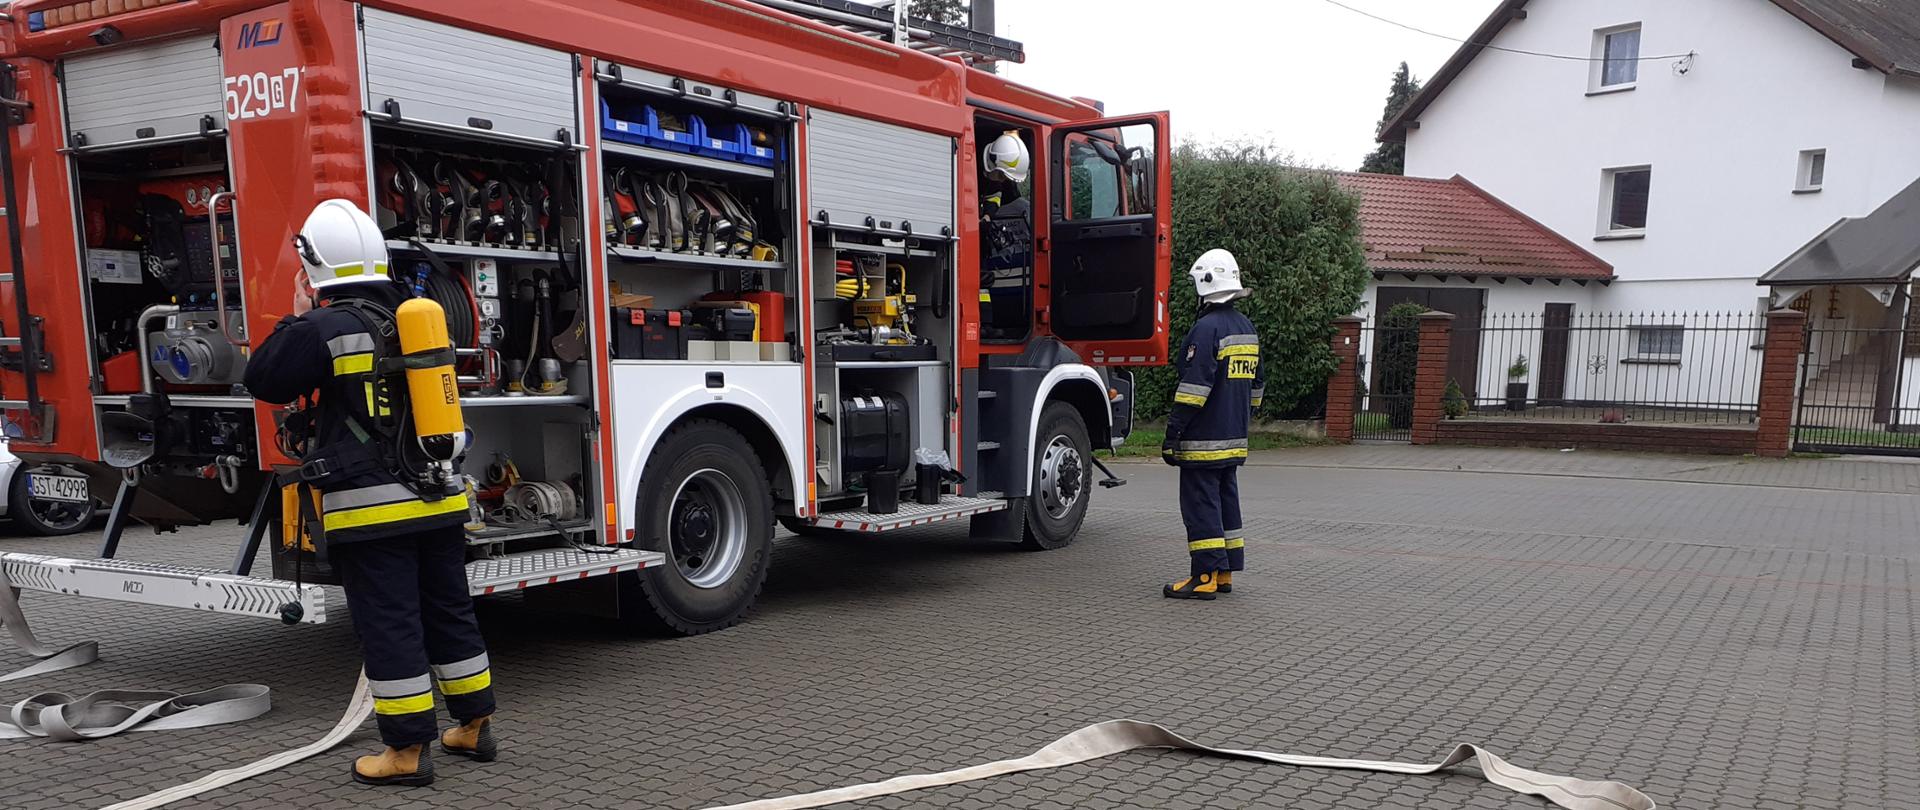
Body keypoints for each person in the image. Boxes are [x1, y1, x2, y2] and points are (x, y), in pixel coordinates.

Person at [246, 200, 497, 786]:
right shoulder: (415, 317)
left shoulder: (323, 327)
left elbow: (262, 379)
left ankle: (406, 753)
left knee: (390, 624)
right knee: (449, 611)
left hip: (372, 507)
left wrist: (295, 315)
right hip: (438, 496)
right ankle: (473, 726)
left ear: (313, 266)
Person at [1162, 248, 1266, 601]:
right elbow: (1258, 386)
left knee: (1201, 504)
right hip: (1234, 437)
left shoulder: (1206, 329)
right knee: (1226, 500)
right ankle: (1224, 571)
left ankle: (1203, 575)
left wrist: (1173, 432)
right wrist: (1241, 418)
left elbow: (1194, 389)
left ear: (1206, 282)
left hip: (1203, 440)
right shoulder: (1246, 327)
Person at [979, 132, 1033, 340]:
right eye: (1001, 176)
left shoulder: (994, 178)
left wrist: (986, 217)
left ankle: (987, 323)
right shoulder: (972, 165)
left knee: (984, 280)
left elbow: (994, 197)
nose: (1002, 181)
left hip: (978, 230)